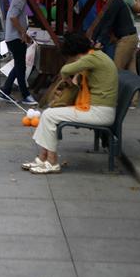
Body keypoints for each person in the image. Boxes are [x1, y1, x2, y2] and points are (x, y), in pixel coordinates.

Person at [23, 32, 118, 175]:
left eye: (70, 57)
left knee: (49, 115)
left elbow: (65, 70)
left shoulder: (92, 58)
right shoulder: (96, 56)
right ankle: (43, 159)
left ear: (75, 53)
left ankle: (52, 162)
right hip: (99, 109)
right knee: (49, 115)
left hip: (100, 112)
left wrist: (69, 75)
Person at [0, 0, 38, 105]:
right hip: (15, 38)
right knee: (20, 67)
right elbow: (13, 18)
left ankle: (6, 91)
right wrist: (23, 33)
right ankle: (25, 94)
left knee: (18, 66)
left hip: (14, 37)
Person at [92, 0, 138, 79]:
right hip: (130, 37)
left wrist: (99, 41)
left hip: (126, 39)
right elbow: (103, 23)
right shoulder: (112, 2)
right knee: (131, 72)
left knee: (116, 71)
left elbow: (107, 23)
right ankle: (133, 94)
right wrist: (94, 38)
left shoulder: (113, 2)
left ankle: (116, 94)